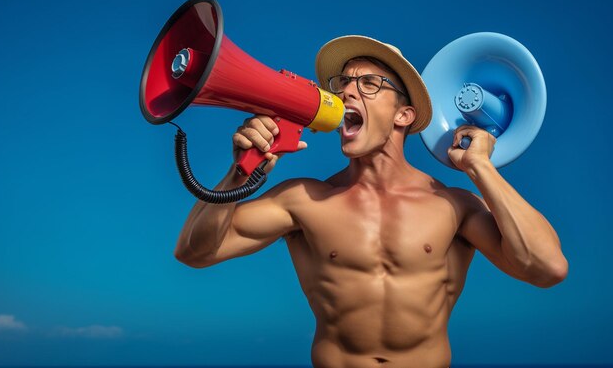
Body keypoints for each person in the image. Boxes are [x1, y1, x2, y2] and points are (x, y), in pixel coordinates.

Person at [173, 35, 568, 368]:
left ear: (404, 116)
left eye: (369, 84)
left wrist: (481, 167)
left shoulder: (454, 206)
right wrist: (242, 171)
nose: (345, 90)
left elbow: (546, 268)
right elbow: (195, 252)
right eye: (343, 82)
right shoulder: (304, 200)